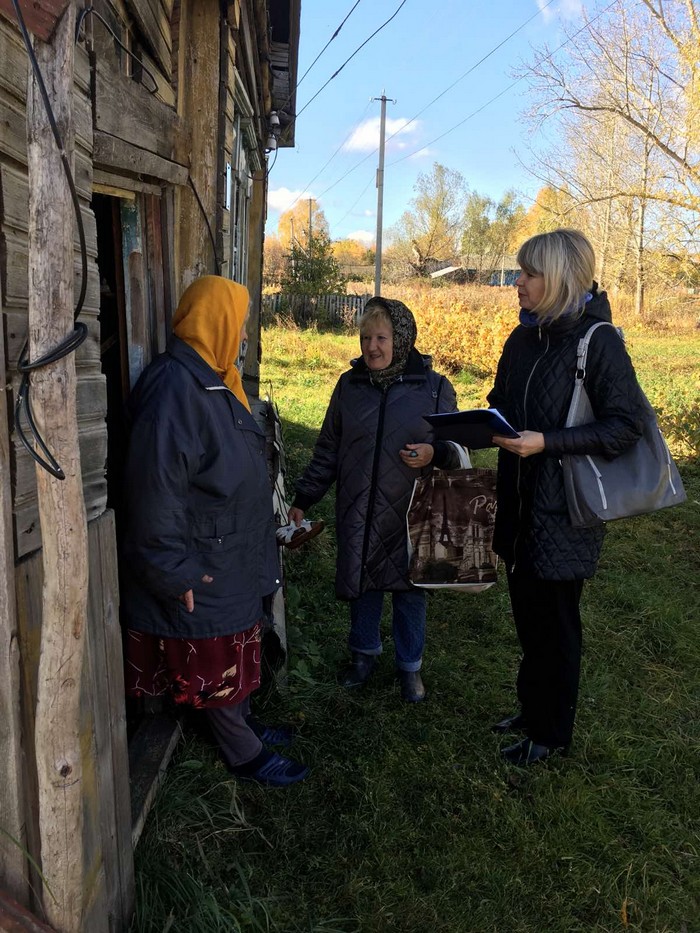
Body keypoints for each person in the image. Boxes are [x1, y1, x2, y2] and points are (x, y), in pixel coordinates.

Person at [121, 275, 308, 786]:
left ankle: (245, 722)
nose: (244, 334)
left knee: (235, 642)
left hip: (228, 550)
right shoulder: (174, 389)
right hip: (200, 562)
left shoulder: (214, 378)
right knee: (213, 650)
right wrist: (169, 570)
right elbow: (151, 492)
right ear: (215, 322)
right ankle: (244, 753)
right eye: (240, 323)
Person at [488, 228, 645, 766]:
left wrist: (547, 443)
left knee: (556, 627)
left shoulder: (597, 342)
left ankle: (551, 734)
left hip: (564, 512)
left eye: (529, 274)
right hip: (519, 503)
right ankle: (532, 711)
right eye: (520, 272)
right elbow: (500, 399)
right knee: (528, 620)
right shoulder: (521, 339)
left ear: (556, 280)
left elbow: (625, 427)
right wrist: (486, 424)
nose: (518, 283)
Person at [287, 296, 461, 702]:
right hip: (359, 508)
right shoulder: (350, 386)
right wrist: (304, 497)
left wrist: (434, 452)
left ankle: (409, 667)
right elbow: (328, 447)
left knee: (410, 590)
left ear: (401, 339)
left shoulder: (434, 388)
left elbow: (456, 445)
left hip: (411, 510)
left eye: (381, 337)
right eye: (365, 337)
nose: (372, 347)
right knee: (363, 584)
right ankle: (363, 655)